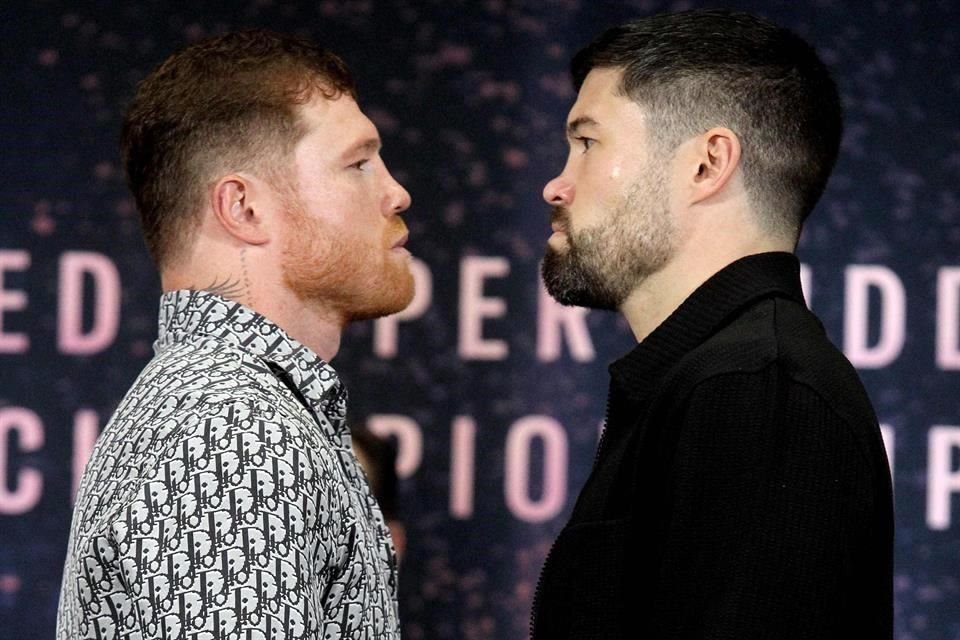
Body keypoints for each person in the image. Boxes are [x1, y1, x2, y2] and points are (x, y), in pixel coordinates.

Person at [531, 9, 893, 639]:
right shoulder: (725, 380)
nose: (556, 185)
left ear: (706, 163)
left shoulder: (757, 392)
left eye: (587, 142)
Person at [57, 30, 412, 639]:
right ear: (243, 208)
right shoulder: (229, 429)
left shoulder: (231, 406)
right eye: (357, 164)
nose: (396, 193)